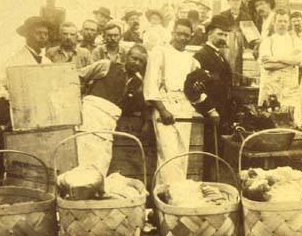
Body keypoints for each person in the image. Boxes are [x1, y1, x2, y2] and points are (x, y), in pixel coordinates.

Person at [143, 18, 201, 182]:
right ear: (172, 33)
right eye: (179, 34)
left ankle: (179, 195)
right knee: (168, 154)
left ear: (191, 37)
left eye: (186, 35)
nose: (182, 38)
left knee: (182, 154)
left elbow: (194, 90)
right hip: (165, 104)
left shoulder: (191, 59)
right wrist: (162, 109)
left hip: (184, 105)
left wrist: (197, 91)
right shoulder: (159, 52)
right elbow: (150, 85)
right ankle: (165, 195)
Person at [77, 44, 148, 175]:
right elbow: (78, 76)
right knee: (84, 155)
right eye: (134, 58)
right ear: (126, 57)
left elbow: (138, 105)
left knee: (102, 158)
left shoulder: (138, 82)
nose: (137, 63)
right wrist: (78, 98)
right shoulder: (106, 65)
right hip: (91, 113)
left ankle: (92, 187)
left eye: (141, 61)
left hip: (110, 122)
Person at [190, 16, 234, 134]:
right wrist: (210, 110)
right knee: (210, 145)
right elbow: (194, 87)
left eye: (225, 35)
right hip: (211, 111)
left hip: (222, 108)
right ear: (209, 33)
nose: (223, 38)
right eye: (220, 34)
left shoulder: (218, 54)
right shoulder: (201, 55)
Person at [257, 10, 302, 116]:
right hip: (271, 89)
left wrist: (275, 59)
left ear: (289, 23)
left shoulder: (296, 41)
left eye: (285, 21)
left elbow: (299, 61)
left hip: (290, 90)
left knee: (290, 120)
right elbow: (267, 65)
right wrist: (290, 61)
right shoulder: (267, 42)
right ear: (274, 22)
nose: (282, 24)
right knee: (269, 121)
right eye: (279, 21)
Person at [219, 0, 253, 86]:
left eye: (238, 0)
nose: (236, 2)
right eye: (233, 0)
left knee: (239, 74)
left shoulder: (246, 17)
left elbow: (250, 37)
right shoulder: (223, 16)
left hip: (240, 51)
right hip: (225, 50)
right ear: (228, 1)